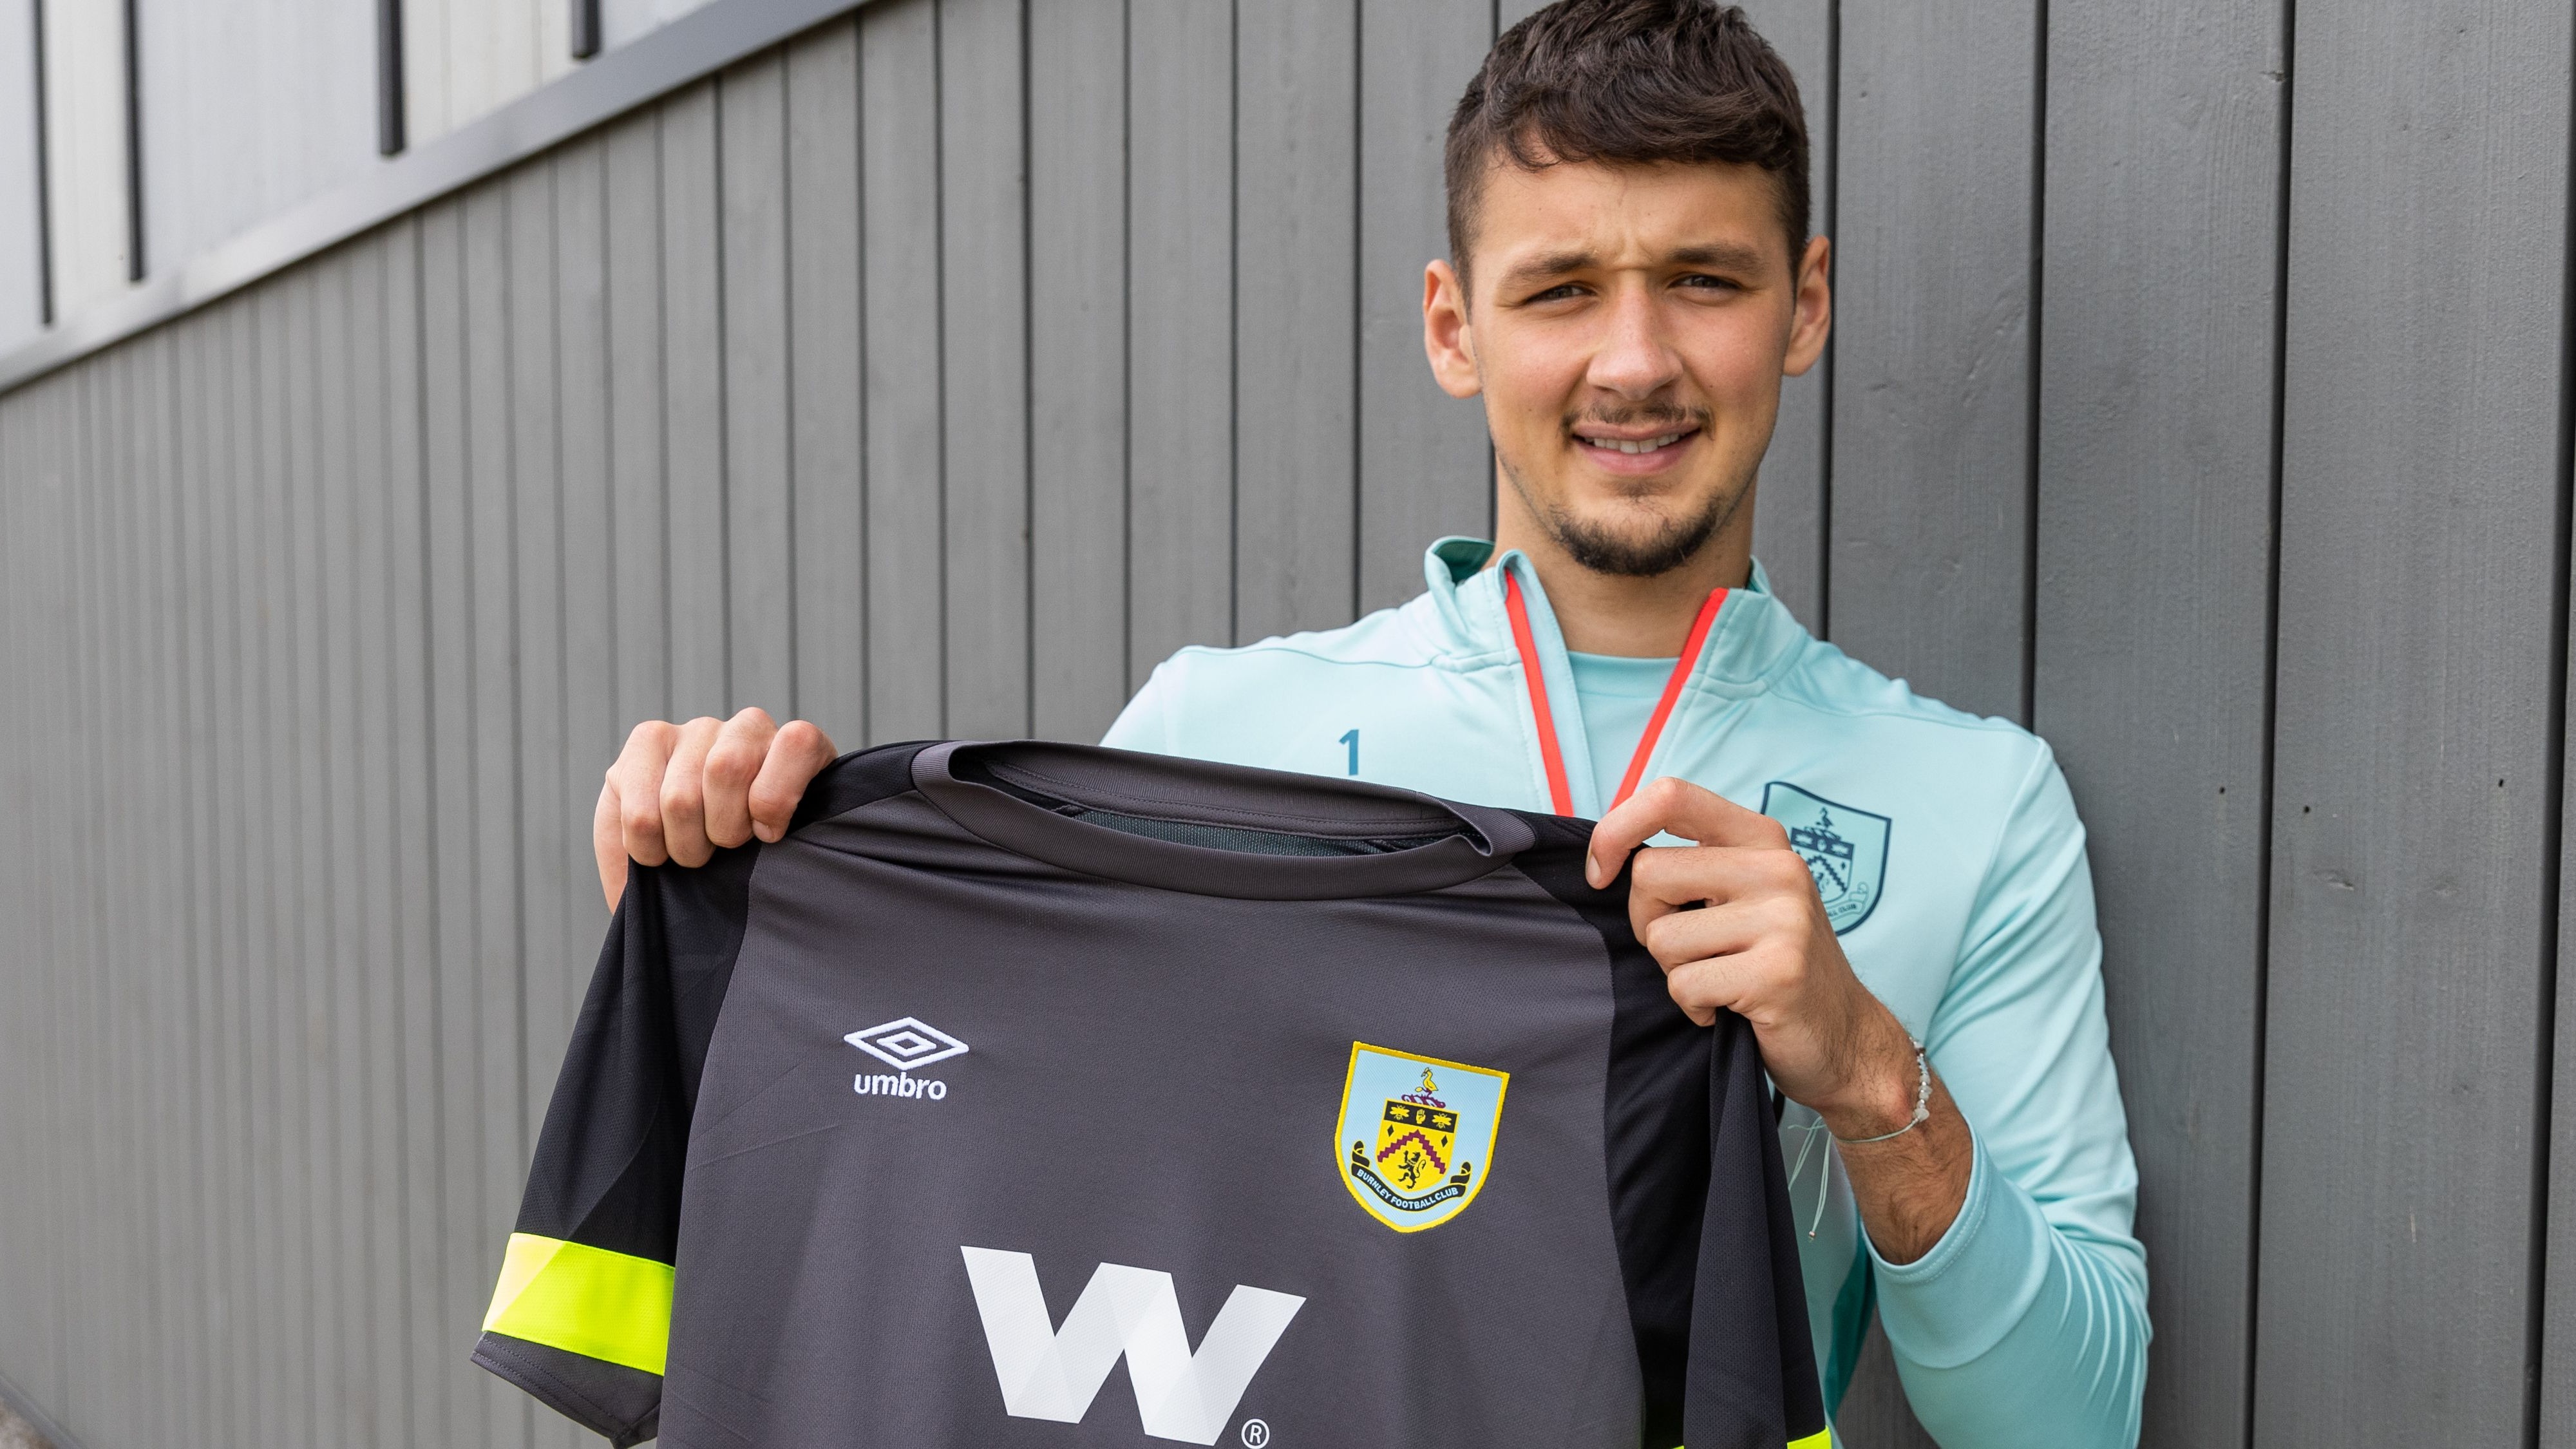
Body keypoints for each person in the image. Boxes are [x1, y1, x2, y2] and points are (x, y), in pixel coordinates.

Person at [588, 1, 2146, 1443]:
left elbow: (2070, 1424)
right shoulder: (1214, 727)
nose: (1634, 360)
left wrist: (1872, 1080)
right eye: (1558, 290)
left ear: (1800, 304)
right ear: (1452, 325)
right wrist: (738, 921)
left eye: (1703, 280)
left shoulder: (1972, 805)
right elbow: (992, 1166)